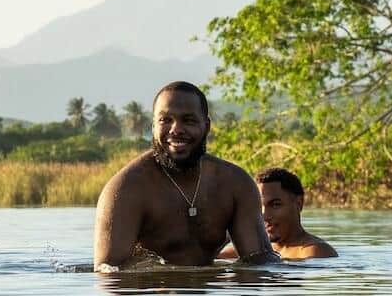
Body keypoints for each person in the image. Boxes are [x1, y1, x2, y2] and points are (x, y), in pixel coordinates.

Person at [93, 81, 280, 270]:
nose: (176, 129)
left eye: (188, 120)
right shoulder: (127, 190)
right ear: (153, 127)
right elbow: (108, 274)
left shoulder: (236, 184)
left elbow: (261, 264)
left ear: (206, 126)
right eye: (165, 120)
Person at [219, 167, 337, 260]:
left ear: (298, 204)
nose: (264, 216)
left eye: (275, 205)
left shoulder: (315, 251)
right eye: (259, 207)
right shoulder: (253, 250)